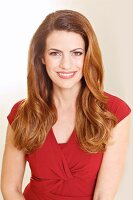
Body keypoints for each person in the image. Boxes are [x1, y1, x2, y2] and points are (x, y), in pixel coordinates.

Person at [1, 9, 131, 200]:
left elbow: (103, 195)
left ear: (88, 56)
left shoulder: (114, 112)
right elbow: (10, 189)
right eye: (55, 53)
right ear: (42, 58)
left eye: (76, 53)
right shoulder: (22, 113)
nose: (66, 64)